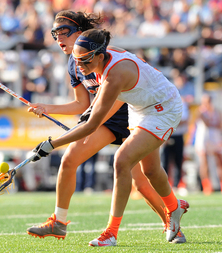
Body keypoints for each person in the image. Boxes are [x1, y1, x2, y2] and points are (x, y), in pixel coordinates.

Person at [26, 11, 186, 245]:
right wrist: (52, 109)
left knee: (127, 167)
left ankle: (112, 232)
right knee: (149, 172)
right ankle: (174, 208)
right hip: (137, 108)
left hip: (158, 108)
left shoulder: (113, 69)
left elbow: (96, 116)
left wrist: (51, 144)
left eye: (64, 32)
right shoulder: (83, 61)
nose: (80, 67)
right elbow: (86, 106)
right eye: (55, 34)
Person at [194, 94, 222, 194]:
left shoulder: (216, 111)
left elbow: (219, 124)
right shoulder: (200, 111)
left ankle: (220, 184)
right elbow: (207, 123)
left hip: (215, 138)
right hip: (203, 138)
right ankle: (207, 185)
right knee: (204, 162)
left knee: (219, 161)